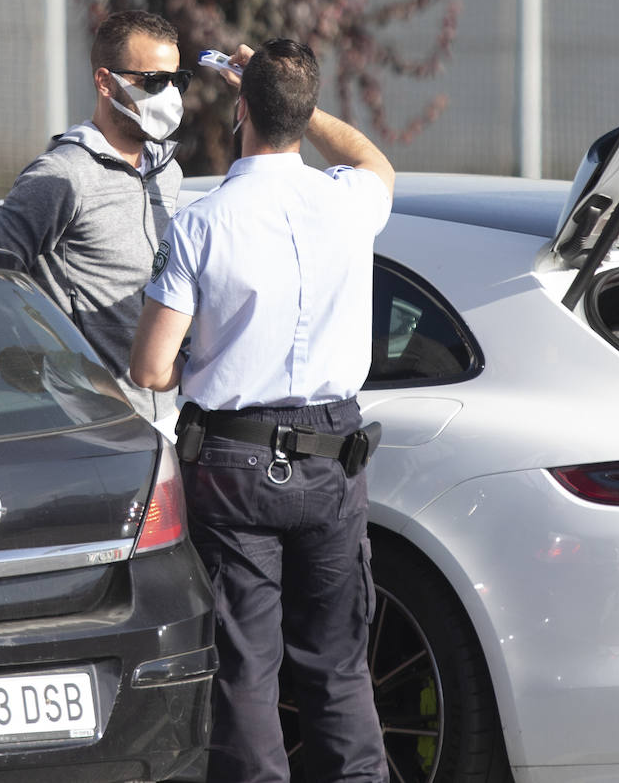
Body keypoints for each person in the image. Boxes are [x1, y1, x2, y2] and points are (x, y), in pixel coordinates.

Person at [130, 38, 395, 783]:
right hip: (334, 457)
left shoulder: (203, 222)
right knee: (338, 665)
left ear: (240, 109)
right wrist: (299, 107)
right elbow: (375, 160)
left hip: (234, 464)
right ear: (306, 116)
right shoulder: (349, 203)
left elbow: (151, 367)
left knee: (246, 668)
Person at [0, 10, 189, 425]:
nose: (170, 96)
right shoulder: (62, 175)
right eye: (154, 82)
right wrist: (53, 369)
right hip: (93, 427)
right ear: (105, 82)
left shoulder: (170, 171)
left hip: (167, 417)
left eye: (178, 81)